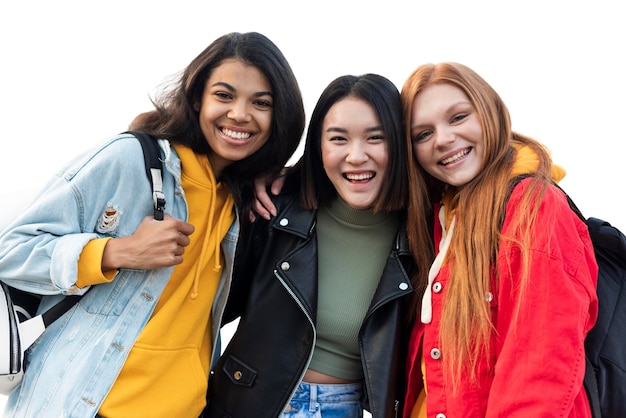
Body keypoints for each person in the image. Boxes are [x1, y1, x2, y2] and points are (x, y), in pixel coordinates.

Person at [0, 31, 305, 417]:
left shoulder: (241, 201)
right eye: (224, 96)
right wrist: (115, 251)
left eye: (261, 102)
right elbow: (10, 251)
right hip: (88, 406)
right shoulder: (130, 160)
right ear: (197, 99)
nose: (240, 114)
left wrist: (273, 176)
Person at [206, 74, 415, 418]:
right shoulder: (275, 209)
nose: (356, 156)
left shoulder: (421, 236)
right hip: (245, 401)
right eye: (338, 139)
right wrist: (247, 179)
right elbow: (207, 303)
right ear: (319, 147)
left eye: (375, 138)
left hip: (344, 408)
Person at [400, 62, 599, 417]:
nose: (443, 139)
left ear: (490, 112)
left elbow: (540, 371)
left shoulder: (534, 208)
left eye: (458, 117)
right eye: (423, 134)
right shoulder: (438, 220)